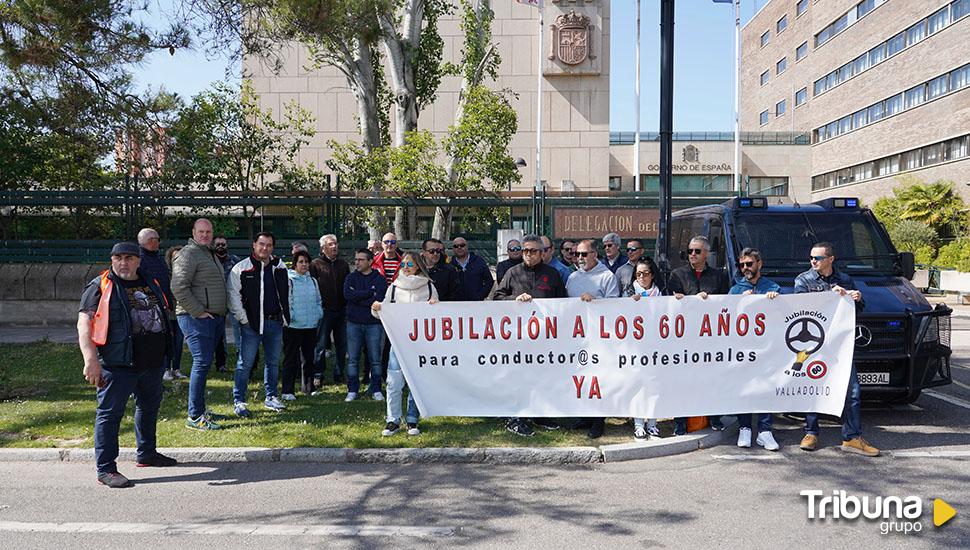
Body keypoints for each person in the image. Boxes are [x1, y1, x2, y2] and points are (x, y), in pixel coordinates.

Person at [78, 242, 177, 488]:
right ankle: (106, 469)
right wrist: (90, 360)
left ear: (138, 260)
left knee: (148, 407)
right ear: (112, 260)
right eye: (118, 258)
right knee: (109, 415)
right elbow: (84, 324)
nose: (124, 263)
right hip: (117, 362)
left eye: (129, 258)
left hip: (152, 362)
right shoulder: (100, 286)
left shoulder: (149, 281)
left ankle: (146, 453)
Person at [795, 242, 878, 457]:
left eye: (818, 258)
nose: (813, 261)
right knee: (813, 390)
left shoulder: (845, 280)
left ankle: (851, 437)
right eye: (812, 257)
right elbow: (801, 307)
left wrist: (858, 300)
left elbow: (855, 311)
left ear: (831, 259)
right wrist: (829, 296)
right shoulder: (803, 280)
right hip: (814, 347)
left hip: (840, 347)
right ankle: (811, 433)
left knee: (852, 392)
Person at [493, 234, 566, 436]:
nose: (528, 254)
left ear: (542, 253)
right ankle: (515, 417)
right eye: (525, 250)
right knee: (516, 377)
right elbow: (497, 298)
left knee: (540, 377)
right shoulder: (512, 272)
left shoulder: (552, 274)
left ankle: (538, 414)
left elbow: (564, 303)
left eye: (533, 251)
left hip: (543, 337)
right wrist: (515, 299)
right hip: (517, 337)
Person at [371, 252, 439, 437]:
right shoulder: (394, 288)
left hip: (420, 344)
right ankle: (392, 420)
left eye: (410, 264)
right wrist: (376, 308)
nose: (406, 267)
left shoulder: (429, 287)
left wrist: (434, 306)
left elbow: (437, 314)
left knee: (415, 382)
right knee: (394, 382)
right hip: (398, 342)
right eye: (403, 264)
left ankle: (412, 419)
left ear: (418, 265)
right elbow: (383, 310)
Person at [668, 235, 730, 435]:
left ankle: (714, 417)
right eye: (690, 251)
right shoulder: (677, 275)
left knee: (710, 379)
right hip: (684, 338)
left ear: (706, 254)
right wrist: (679, 299)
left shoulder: (719, 276)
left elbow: (726, 303)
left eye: (697, 251)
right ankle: (680, 421)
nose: (692, 255)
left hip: (710, 338)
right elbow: (667, 304)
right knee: (681, 381)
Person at [171, 218, 228, 431]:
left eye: (209, 232)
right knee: (201, 363)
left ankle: (200, 409)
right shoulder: (188, 254)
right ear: (193, 233)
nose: (205, 235)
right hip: (195, 318)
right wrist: (198, 311)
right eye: (201, 231)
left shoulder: (208, 253)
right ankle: (194, 416)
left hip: (211, 318)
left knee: (203, 364)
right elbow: (178, 287)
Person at [227, 232, 290, 417]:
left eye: (269, 245)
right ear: (254, 245)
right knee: (244, 364)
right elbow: (233, 297)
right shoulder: (241, 269)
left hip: (275, 323)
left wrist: (285, 316)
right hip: (251, 326)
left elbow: (287, 293)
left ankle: (271, 397)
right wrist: (245, 319)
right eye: (261, 244)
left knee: (272, 363)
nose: (265, 248)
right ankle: (239, 400)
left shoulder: (280, 266)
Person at [566, 240, 620, 439]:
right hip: (577, 337)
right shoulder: (572, 277)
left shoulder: (607, 277)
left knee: (599, 378)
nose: (580, 258)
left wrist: (596, 302)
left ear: (595, 254)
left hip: (600, 337)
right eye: (577, 254)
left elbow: (615, 306)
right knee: (582, 377)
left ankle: (598, 421)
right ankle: (585, 416)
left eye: (584, 254)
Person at [728, 248, 781, 451]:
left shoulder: (773, 286)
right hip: (743, 348)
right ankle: (745, 428)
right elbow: (727, 317)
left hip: (766, 348)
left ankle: (765, 430)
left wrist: (775, 299)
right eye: (742, 265)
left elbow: (783, 314)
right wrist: (740, 302)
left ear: (759, 263)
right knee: (745, 388)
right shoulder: (735, 289)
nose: (745, 268)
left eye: (749, 264)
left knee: (766, 387)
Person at [344, 248, 388, 402]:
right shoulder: (351, 277)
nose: (357, 262)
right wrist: (369, 293)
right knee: (353, 359)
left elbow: (380, 299)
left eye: (361, 259)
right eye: (356, 259)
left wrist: (359, 297)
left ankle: (376, 389)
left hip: (373, 323)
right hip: (353, 323)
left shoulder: (380, 279)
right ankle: (352, 390)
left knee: (375, 358)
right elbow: (348, 295)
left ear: (370, 262)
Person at [137, 228, 180, 382]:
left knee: (166, 339)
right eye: (155, 239)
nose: (158, 242)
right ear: (147, 242)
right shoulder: (140, 260)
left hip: (164, 306)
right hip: (149, 308)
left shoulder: (158, 258)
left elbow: (165, 283)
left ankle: (166, 368)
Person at [629, 256, 663, 441]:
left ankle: (652, 424)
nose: (641, 277)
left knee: (654, 385)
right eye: (638, 273)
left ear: (652, 275)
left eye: (645, 273)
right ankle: (638, 424)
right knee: (638, 385)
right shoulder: (629, 292)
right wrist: (629, 303)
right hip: (636, 347)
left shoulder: (661, 294)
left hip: (656, 346)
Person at [282, 250, 323, 400]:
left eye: (306, 262)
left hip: (310, 325)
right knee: (291, 359)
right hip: (293, 326)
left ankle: (308, 387)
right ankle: (288, 390)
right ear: (294, 264)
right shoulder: (289, 279)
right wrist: (291, 317)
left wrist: (318, 313)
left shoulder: (312, 281)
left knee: (308, 358)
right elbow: (286, 301)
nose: (304, 264)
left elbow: (318, 300)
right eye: (301, 262)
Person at [310, 234, 350, 386]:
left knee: (341, 344)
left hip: (341, 310)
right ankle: (318, 374)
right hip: (324, 310)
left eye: (335, 244)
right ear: (323, 248)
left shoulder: (343, 265)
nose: (334, 247)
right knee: (320, 345)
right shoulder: (315, 264)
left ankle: (339, 373)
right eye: (330, 244)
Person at [213, 234, 242, 373]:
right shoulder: (210, 261)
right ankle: (221, 363)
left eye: (223, 244)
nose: (220, 247)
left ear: (227, 245)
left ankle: (241, 360)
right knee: (219, 334)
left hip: (233, 300)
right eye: (217, 244)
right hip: (216, 301)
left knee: (238, 331)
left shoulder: (235, 260)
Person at [452, 236, 493, 301]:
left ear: (467, 247)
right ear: (453, 249)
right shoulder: (450, 264)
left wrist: (480, 295)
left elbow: (489, 281)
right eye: (456, 246)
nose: (459, 248)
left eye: (462, 245)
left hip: (477, 303)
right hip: (456, 305)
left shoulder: (479, 261)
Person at [164, 246, 184, 381]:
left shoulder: (186, 273)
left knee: (179, 342)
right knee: (168, 342)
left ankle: (176, 368)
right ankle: (166, 369)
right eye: (174, 257)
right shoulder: (165, 275)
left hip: (182, 314)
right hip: (169, 313)